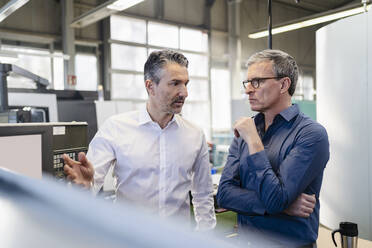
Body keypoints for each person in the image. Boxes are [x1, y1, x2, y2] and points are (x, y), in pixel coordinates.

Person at [63, 50, 216, 231]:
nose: (184, 92)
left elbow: (203, 195)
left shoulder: (194, 135)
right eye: (175, 83)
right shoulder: (116, 128)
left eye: (185, 84)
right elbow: (91, 182)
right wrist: (85, 186)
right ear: (150, 86)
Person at [216, 49, 329, 247]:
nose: (248, 89)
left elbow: (275, 199)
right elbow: (224, 194)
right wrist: (285, 207)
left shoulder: (311, 134)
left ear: (284, 84)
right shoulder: (246, 128)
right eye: (247, 82)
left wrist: (252, 140)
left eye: (257, 81)